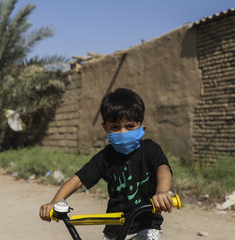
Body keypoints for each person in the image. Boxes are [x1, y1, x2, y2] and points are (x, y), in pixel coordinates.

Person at [39, 88, 173, 240]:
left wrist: (161, 192)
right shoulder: (105, 157)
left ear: (142, 128)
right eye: (115, 127)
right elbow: (77, 180)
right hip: (114, 229)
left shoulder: (150, 149)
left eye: (130, 126)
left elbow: (163, 169)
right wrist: (54, 202)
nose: (123, 132)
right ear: (105, 128)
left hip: (146, 225)